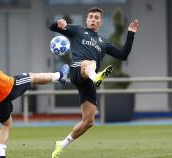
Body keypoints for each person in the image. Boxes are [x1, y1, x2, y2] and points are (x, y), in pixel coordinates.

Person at [0, 34, 69, 158]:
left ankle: (1, 155)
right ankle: (59, 76)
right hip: (7, 87)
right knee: (32, 77)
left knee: (7, 125)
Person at [49, 7, 139, 158]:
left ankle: (62, 143)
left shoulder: (103, 42)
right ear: (87, 19)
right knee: (90, 63)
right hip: (77, 70)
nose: (93, 19)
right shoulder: (77, 30)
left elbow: (123, 55)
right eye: (91, 17)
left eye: (96, 18)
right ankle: (96, 76)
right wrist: (58, 22)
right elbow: (52, 27)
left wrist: (131, 34)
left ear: (100, 22)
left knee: (89, 121)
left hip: (88, 80)